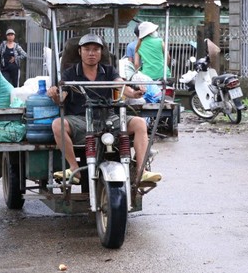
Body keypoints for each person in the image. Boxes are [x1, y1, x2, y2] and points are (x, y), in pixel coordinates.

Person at [46, 33, 162, 184]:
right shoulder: (70, 73)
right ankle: (74, 170)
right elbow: (61, 98)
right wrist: (54, 94)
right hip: (80, 120)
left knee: (140, 123)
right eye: (87, 49)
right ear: (80, 52)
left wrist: (135, 92)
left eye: (96, 49)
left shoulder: (108, 71)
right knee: (57, 124)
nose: (91, 53)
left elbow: (121, 85)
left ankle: (141, 171)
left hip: (108, 118)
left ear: (101, 53)